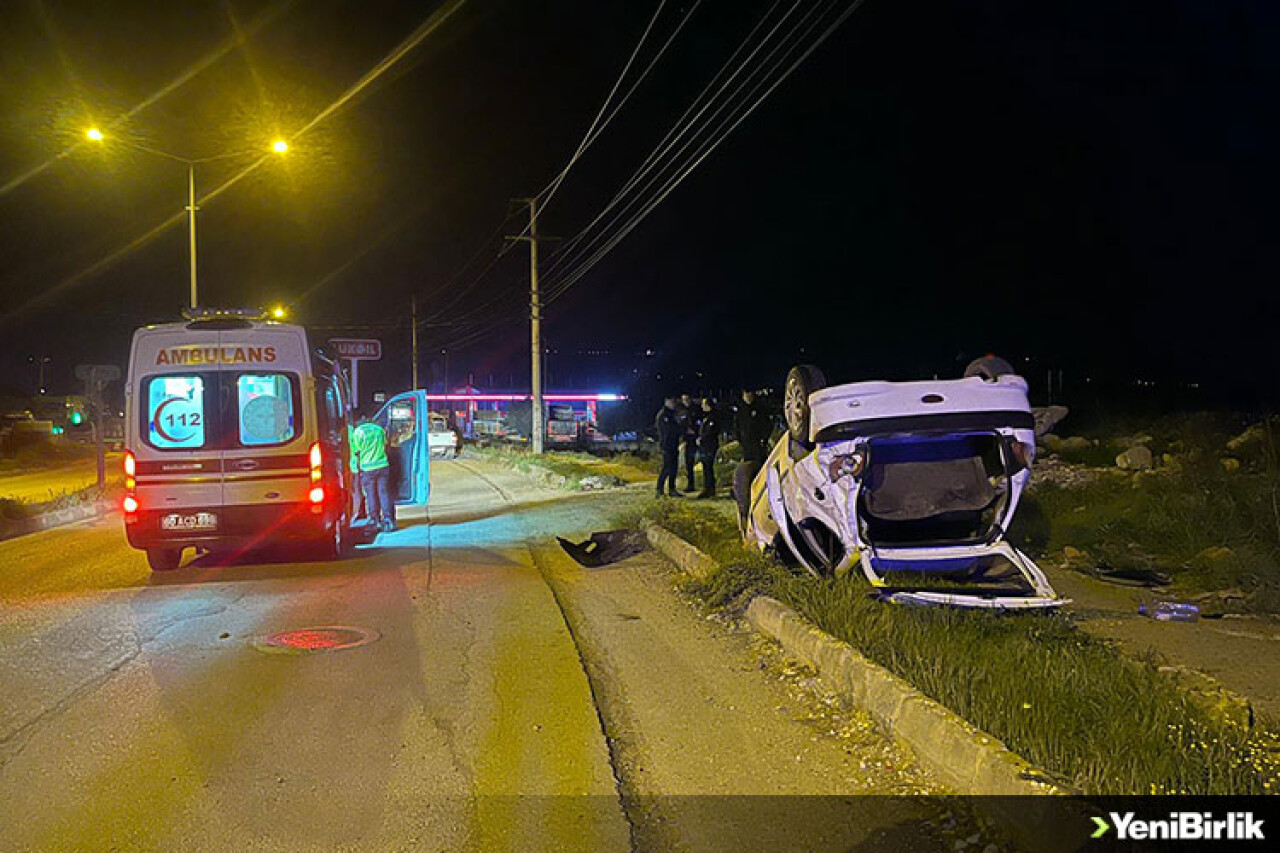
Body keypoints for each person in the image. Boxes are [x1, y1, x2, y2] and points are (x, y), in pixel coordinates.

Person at [733, 389, 774, 518]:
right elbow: (736, 427)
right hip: (747, 446)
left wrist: (764, 439)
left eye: (751, 394)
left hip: (758, 445)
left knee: (760, 467)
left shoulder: (760, 409)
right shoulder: (740, 411)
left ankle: (761, 491)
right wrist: (741, 440)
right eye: (747, 394)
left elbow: (767, 424)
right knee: (747, 469)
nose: (749, 396)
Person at [352, 412, 395, 532]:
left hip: (368, 468)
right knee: (384, 493)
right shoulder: (379, 429)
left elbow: (357, 451)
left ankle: (375, 520)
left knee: (371, 495)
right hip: (382, 465)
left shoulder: (358, 432)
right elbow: (386, 445)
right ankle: (388, 520)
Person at [654, 397, 682, 498]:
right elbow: (669, 430)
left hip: (673, 444)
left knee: (674, 468)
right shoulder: (663, 416)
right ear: (667, 402)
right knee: (667, 467)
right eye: (672, 402)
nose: (674, 404)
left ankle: (672, 489)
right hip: (667, 445)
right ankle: (659, 489)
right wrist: (680, 430)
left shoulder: (671, 414)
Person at [696, 397, 722, 498]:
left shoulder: (713, 417)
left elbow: (710, 432)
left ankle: (709, 489)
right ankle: (708, 488)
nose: (702, 406)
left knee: (708, 468)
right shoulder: (706, 417)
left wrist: (701, 439)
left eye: (703, 404)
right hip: (705, 446)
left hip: (709, 446)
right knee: (706, 467)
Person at [678, 392, 701, 492]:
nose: (686, 401)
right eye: (684, 399)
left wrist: (695, 430)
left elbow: (700, 422)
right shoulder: (680, 411)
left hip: (698, 439)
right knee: (689, 463)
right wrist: (684, 432)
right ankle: (690, 484)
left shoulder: (696, 409)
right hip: (688, 440)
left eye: (687, 399)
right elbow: (680, 424)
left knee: (703, 461)